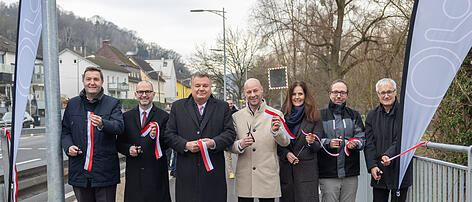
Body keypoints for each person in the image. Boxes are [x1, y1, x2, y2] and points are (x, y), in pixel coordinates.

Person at [164, 72, 236, 202]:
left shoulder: (222, 107)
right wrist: (185, 145)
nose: (201, 89)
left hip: (213, 175)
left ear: (210, 88)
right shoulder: (178, 107)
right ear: (191, 87)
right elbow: (169, 134)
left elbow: (230, 133)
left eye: (205, 85)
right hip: (186, 175)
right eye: (197, 85)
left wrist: (213, 143)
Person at [61, 66, 124, 202]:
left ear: (102, 82)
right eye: (88, 79)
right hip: (79, 170)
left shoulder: (113, 103)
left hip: (104, 172)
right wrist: (68, 147)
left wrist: (103, 124)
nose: (92, 82)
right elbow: (65, 131)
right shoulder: (72, 104)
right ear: (83, 81)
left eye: (96, 79)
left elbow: (119, 127)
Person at [229, 78, 290, 202]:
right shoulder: (236, 117)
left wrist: (275, 131)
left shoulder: (275, 114)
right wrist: (240, 144)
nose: (252, 95)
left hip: (267, 176)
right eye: (249, 92)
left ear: (261, 90)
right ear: (245, 94)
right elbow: (229, 145)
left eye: (255, 91)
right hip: (245, 177)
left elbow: (285, 142)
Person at [116, 81, 171, 202]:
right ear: (135, 94)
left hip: (156, 172)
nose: (144, 95)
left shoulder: (164, 117)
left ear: (153, 94)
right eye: (141, 92)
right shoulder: (126, 117)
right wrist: (128, 149)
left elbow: (169, 143)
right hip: (134, 173)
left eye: (147, 92)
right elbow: (119, 143)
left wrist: (157, 136)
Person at [364, 78, 412, 202]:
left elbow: (402, 139)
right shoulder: (371, 116)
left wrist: (388, 155)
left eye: (389, 91)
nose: (386, 95)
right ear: (378, 95)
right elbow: (369, 143)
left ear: (395, 92)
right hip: (379, 171)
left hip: (400, 169)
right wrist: (372, 166)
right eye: (382, 93)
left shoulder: (405, 113)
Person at [318, 80, 366, 202]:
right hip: (328, 174)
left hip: (350, 173)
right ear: (330, 94)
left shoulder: (354, 115)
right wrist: (328, 143)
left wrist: (355, 144)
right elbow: (314, 140)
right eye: (335, 92)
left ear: (347, 95)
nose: (339, 96)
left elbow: (362, 138)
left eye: (342, 93)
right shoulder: (319, 115)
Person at [277, 81, 323, 202]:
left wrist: (311, 142)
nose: (297, 97)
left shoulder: (314, 115)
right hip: (287, 172)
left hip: (307, 174)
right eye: (294, 94)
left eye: (300, 94)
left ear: (305, 95)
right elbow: (276, 142)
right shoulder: (281, 115)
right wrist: (286, 154)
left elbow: (318, 146)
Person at [225, 99, 238, 179]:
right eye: (228, 103)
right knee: (228, 156)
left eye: (231, 103)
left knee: (239, 154)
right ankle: (230, 172)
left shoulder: (237, 112)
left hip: (236, 135)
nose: (230, 105)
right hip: (227, 137)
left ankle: (240, 171)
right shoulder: (223, 113)